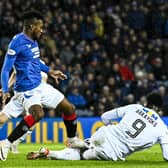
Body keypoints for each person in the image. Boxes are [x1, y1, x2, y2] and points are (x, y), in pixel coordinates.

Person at [0, 10, 84, 161]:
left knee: (69, 108)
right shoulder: (16, 43)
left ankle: (72, 140)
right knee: (38, 114)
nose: (42, 30)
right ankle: (6, 143)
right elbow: (6, 69)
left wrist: (50, 71)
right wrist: (5, 90)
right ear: (31, 27)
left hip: (40, 86)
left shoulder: (34, 41)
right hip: (26, 90)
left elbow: (36, 62)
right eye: (40, 27)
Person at [27, 92, 168, 161]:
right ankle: (72, 148)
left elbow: (105, 116)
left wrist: (112, 129)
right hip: (113, 152)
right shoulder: (162, 128)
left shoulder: (135, 107)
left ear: (146, 103)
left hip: (105, 133)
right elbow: (167, 156)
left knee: (87, 145)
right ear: (159, 109)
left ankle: (54, 151)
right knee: (83, 156)